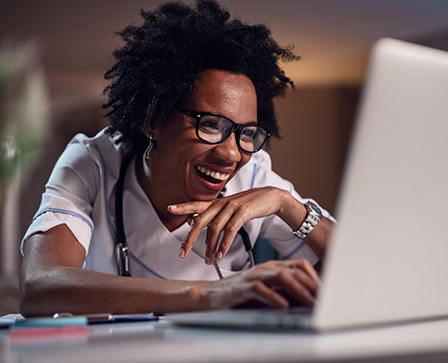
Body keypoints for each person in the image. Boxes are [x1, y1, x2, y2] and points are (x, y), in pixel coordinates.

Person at [18, 0, 334, 317]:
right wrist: (213, 294)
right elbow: (40, 287)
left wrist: (289, 206)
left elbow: (361, 269)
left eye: (247, 133)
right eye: (210, 124)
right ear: (152, 119)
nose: (231, 154)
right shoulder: (93, 163)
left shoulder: (254, 178)